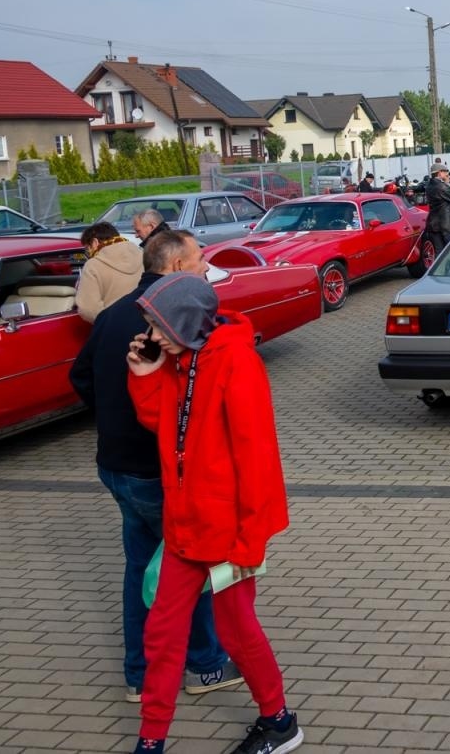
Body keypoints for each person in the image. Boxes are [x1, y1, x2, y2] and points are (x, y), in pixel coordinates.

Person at [125, 272, 299, 754]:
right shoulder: (184, 362)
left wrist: (250, 539)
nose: (153, 336)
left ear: (182, 322)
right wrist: (144, 377)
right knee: (161, 633)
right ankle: (151, 738)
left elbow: (258, 455)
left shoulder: (235, 362)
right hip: (185, 525)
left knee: (236, 632)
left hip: (228, 531)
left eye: (158, 326)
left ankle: (279, 721)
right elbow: (165, 426)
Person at [69, 231, 242, 708]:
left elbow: (80, 375)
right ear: (176, 266)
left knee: (140, 567)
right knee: (191, 566)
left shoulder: (111, 315)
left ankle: (139, 674)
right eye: (200, 260)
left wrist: (110, 418)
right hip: (157, 473)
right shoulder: (172, 323)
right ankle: (205, 665)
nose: (206, 268)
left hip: (115, 466)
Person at [77, 222, 145, 323]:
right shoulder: (142, 254)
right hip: (145, 323)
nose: (88, 253)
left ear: (95, 242)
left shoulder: (93, 265)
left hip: (115, 328)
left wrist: (110, 323)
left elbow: (88, 309)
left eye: (88, 248)